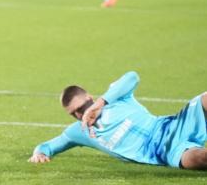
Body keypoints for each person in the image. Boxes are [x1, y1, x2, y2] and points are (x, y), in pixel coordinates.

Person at [28, 71, 207, 170]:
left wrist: (100, 103)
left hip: (171, 125)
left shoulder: (115, 98)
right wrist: (39, 153)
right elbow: (48, 146)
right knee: (198, 159)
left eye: (81, 108)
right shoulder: (80, 131)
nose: (80, 115)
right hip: (165, 152)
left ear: (90, 98)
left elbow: (133, 77)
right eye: (73, 113)